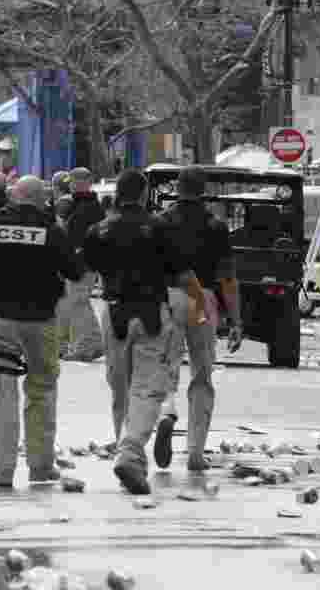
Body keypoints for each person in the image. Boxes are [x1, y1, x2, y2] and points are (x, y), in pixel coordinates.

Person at [0, 175, 83, 488]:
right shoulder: (51, 232)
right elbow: (75, 271)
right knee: (42, 391)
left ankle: (4, 471)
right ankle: (40, 465)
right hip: (41, 322)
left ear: (13, 198)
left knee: (4, 391)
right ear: (40, 201)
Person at [82, 169, 198, 495]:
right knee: (147, 388)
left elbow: (84, 271)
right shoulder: (160, 228)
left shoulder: (99, 229)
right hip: (151, 314)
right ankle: (131, 453)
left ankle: (127, 449)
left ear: (118, 193)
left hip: (115, 312)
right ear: (145, 193)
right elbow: (181, 274)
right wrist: (202, 301)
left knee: (120, 388)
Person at [153, 166, 243, 471]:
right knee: (202, 375)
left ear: (177, 190)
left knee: (167, 366)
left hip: (169, 296)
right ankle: (195, 452)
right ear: (204, 191)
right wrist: (236, 319)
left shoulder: (160, 223)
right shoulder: (216, 227)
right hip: (202, 298)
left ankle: (166, 411)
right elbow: (227, 277)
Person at [54, 167, 106, 362]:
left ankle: (89, 344)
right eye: (71, 181)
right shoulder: (80, 205)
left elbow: (78, 239)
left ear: (86, 182)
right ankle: (70, 344)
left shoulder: (88, 207)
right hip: (78, 264)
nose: (72, 185)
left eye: (75, 181)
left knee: (78, 302)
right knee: (70, 303)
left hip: (82, 265)